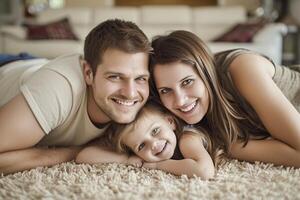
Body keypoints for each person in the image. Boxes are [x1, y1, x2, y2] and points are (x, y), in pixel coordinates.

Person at [0, 19, 151, 175]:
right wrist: (74, 152)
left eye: (140, 78)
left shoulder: (148, 94)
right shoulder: (56, 89)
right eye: (115, 77)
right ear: (88, 73)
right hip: (8, 67)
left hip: (36, 65)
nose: (131, 93)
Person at [149, 30, 300, 167]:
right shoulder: (176, 116)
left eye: (187, 82)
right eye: (166, 90)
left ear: (206, 72)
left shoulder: (243, 68)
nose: (180, 101)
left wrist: (222, 144)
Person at [76, 102, 215, 179]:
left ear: (170, 121)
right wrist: (126, 159)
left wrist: (157, 166)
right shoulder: (137, 154)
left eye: (155, 131)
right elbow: (83, 155)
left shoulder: (188, 139)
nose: (154, 144)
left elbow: (204, 171)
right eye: (142, 145)